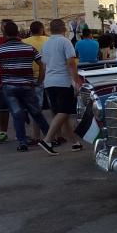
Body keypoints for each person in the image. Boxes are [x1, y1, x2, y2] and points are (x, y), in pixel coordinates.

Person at [0, 22, 55, 153]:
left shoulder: (0, 49)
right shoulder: (28, 48)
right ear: (17, 32)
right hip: (27, 85)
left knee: (17, 114)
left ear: (5, 33)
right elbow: (42, 64)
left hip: (9, 86)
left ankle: (22, 143)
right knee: (36, 112)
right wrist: (39, 81)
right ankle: (49, 138)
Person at [41, 19, 83, 152]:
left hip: (49, 82)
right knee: (64, 111)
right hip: (62, 81)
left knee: (61, 113)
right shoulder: (65, 41)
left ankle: (75, 142)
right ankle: (47, 140)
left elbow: (44, 65)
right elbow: (71, 62)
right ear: (64, 28)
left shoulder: (46, 44)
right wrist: (77, 81)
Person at [22, 21, 49, 143]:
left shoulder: (23, 42)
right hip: (47, 76)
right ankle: (56, 134)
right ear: (41, 29)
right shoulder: (48, 40)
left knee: (35, 108)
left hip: (30, 78)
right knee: (53, 108)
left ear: (30, 30)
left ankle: (35, 136)